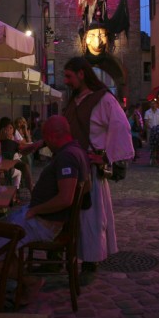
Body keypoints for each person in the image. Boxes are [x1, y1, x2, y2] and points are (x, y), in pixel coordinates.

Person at [0, 115, 89, 306]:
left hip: (42, 222)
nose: (45, 142)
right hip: (41, 219)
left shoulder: (67, 156)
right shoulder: (76, 150)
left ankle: (30, 282)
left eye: (46, 138)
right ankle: (21, 284)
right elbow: (79, 190)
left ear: (54, 136)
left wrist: (35, 209)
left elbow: (65, 198)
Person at [62, 57, 133, 283]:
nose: (66, 81)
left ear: (82, 74)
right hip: (71, 167)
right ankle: (72, 253)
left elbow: (121, 126)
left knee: (90, 216)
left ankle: (91, 260)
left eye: (69, 76)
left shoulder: (103, 99)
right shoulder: (73, 101)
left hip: (89, 170)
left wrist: (105, 156)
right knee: (73, 215)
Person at [0, 117, 43, 191]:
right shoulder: (12, 143)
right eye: (10, 128)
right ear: (6, 129)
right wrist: (37, 144)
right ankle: (20, 190)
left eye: (12, 128)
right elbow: (24, 148)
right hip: (7, 170)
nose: (12, 130)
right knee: (24, 166)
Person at [144, 99, 159, 167]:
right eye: (152, 103)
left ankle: (157, 157)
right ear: (150, 105)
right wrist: (151, 128)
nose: (153, 105)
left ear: (157, 104)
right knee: (151, 145)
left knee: (158, 145)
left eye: (154, 103)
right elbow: (146, 122)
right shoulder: (147, 112)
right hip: (151, 130)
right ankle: (152, 158)